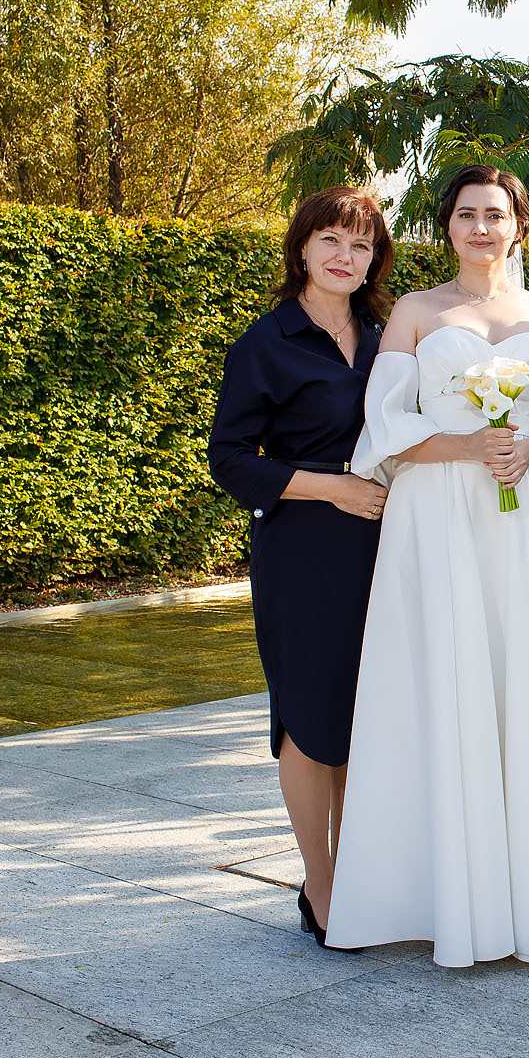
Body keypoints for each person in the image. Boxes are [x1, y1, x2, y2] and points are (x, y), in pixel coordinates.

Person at [323, 164, 529, 967]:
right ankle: (438, 895)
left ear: (519, 226)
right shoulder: (416, 311)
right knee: (446, 679)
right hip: (438, 514)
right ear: (447, 225)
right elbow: (384, 424)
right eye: (465, 214)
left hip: (525, 510)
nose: (480, 228)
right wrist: (468, 444)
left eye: (495, 214)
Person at [208, 186, 393, 948]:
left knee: (365, 714)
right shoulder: (267, 341)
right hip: (304, 546)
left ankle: (359, 869)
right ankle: (318, 882)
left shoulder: (388, 336)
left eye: (360, 244)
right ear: (302, 248)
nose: (344, 256)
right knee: (309, 717)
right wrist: (333, 488)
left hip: (386, 547)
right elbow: (229, 460)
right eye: (331, 241)